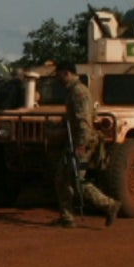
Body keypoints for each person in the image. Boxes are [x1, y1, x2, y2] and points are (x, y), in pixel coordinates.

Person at [52, 61, 121, 229]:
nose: (58, 79)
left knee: (76, 180)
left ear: (66, 73)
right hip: (75, 142)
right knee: (63, 179)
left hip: (81, 144)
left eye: (59, 75)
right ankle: (67, 217)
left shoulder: (78, 92)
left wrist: (80, 145)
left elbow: (84, 122)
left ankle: (109, 205)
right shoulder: (74, 91)